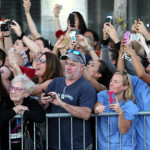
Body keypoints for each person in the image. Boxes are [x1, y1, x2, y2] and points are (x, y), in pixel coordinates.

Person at [40, 50, 96, 150]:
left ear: (82, 67)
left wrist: (62, 104)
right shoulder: (56, 82)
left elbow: (86, 113)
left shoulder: (86, 87)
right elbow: (44, 106)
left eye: (73, 65)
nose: (68, 67)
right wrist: (43, 101)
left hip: (78, 145)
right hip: (54, 144)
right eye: (66, 63)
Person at [117, 41, 150, 150]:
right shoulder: (140, 82)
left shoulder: (143, 78)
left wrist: (133, 54)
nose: (148, 60)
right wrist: (121, 53)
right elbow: (120, 75)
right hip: (140, 141)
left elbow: (141, 74)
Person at [94, 71, 139, 150]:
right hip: (103, 147)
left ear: (125, 87)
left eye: (116, 82)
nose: (111, 83)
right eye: (111, 80)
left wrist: (120, 112)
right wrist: (98, 108)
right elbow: (97, 106)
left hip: (123, 147)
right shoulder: (104, 95)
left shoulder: (129, 105)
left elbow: (123, 130)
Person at [0, 74, 45, 150]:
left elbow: (40, 117)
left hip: (26, 145)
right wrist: (16, 109)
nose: (13, 92)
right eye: (12, 88)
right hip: (5, 145)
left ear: (26, 93)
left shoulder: (31, 102)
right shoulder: (5, 102)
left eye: (17, 89)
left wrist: (23, 112)